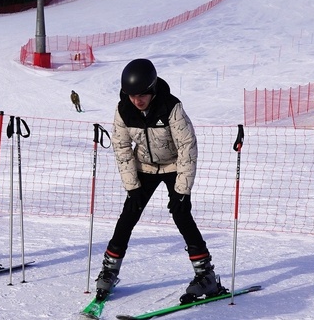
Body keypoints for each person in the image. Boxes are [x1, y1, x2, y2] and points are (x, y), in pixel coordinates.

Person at [93, 58, 225, 304]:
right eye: (132, 95)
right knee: (128, 215)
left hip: (174, 165)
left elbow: (187, 146)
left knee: (181, 213)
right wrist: (132, 187)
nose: (137, 100)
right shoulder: (123, 110)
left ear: (152, 88)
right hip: (144, 166)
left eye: (142, 95)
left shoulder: (171, 107)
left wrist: (182, 191)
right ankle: (109, 270)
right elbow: (122, 148)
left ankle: (206, 275)